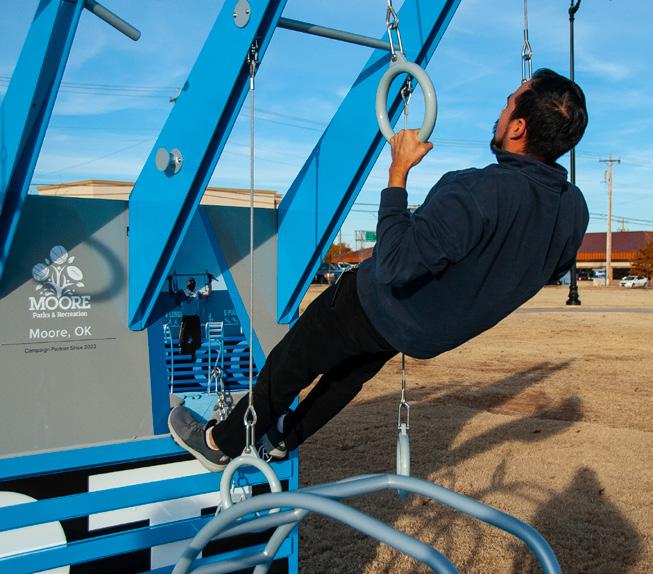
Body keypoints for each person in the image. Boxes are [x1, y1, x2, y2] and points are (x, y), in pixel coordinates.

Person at [168, 68, 589, 472]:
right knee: (348, 374)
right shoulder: (573, 208)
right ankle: (281, 438)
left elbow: (394, 262)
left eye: (508, 104)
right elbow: (550, 267)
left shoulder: (477, 190)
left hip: (374, 303)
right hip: (423, 332)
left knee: (292, 362)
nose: (501, 111)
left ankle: (220, 443)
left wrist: (398, 171)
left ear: (518, 128)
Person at [168, 275, 212, 361]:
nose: (192, 283)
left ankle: (193, 353)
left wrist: (209, 280)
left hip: (195, 318)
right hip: (186, 319)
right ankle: (185, 350)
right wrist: (170, 281)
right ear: (187, 284)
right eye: (190, 281)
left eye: (193, 281)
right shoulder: (182, 292)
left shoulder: (197, 293)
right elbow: (171, 295)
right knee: (182, 339)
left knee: (197, 339)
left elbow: (208, 293)